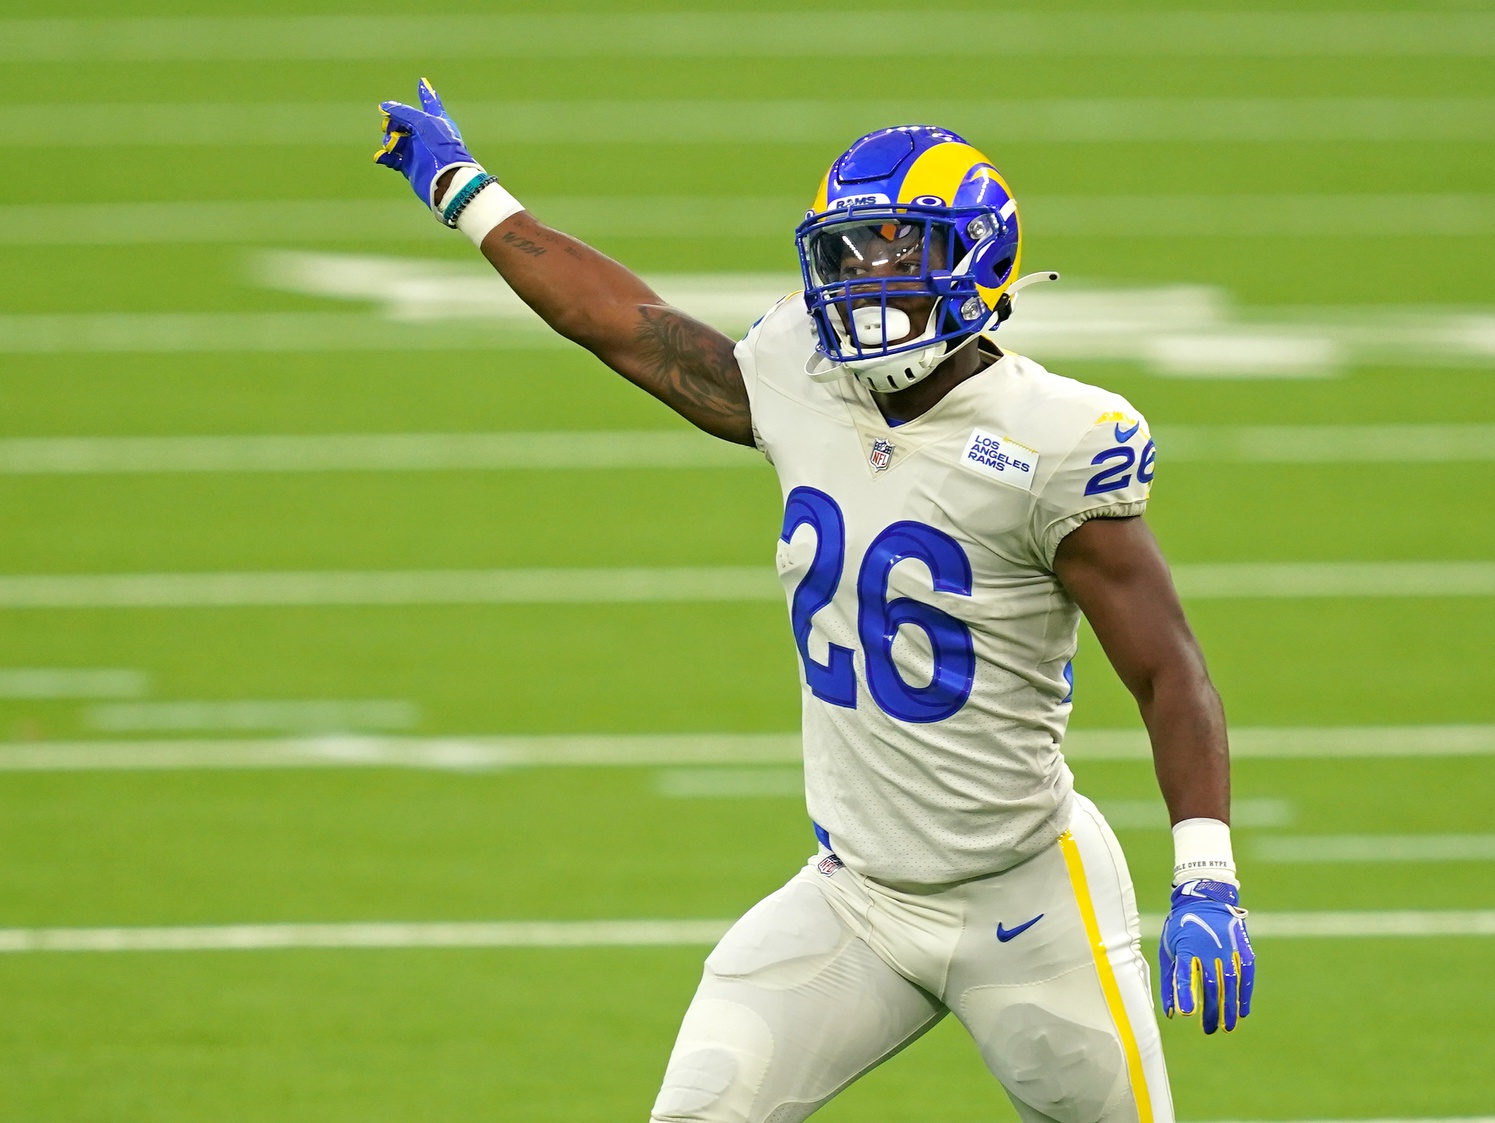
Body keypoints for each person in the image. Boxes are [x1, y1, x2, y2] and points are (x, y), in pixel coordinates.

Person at [376, 80, 1256, 1123]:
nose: (864, 279)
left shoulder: (1051, 440)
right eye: (850, 251)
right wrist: (467, 192)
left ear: (978, 260)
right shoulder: (802, 372)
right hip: (856, 895)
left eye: (897, 250)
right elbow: (626, 326)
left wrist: (1205, 871)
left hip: (1027, 896)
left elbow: (1167, 668)